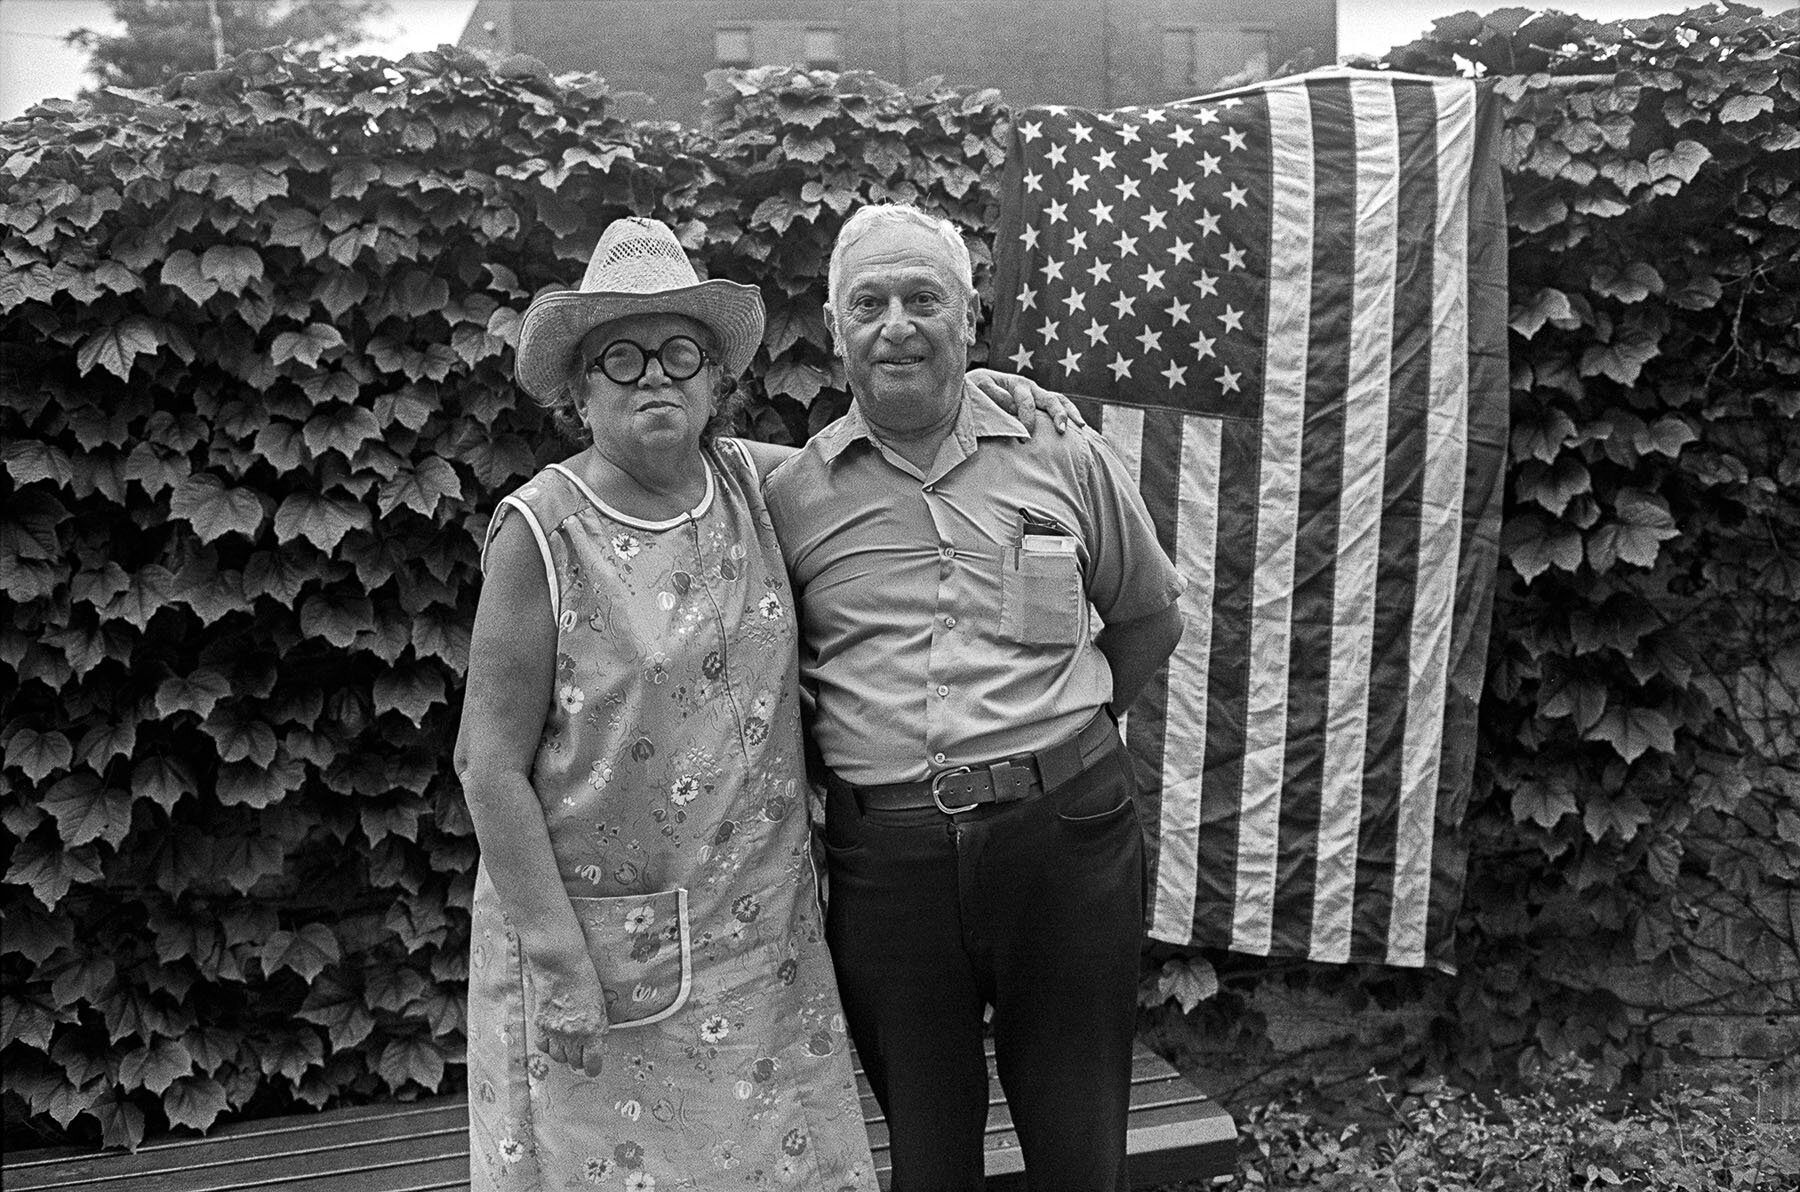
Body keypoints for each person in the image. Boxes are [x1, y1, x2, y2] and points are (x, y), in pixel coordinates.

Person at [453, 215, 1076, 1191]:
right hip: (603, 962)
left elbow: (894, 457)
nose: (654, 375)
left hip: (765, 958)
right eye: (621, 356)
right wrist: (559, 961)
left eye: (679, 352)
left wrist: (991, 406)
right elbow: (484, 765)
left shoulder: (757, 482)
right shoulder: (543, 533)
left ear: (713, 380)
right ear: (579, 388)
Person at [761, 204, 1187, 1192]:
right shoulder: (792, 499)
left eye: (925, 298)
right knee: (928, 1164)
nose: (896, 323)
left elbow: (1148, 618)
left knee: (1080, 1155)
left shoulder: (1064, 456)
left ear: (972, 318)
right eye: (868, 302)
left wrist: (1058, 751)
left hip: (1067, 846)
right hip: (889, 869)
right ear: (835, 331)